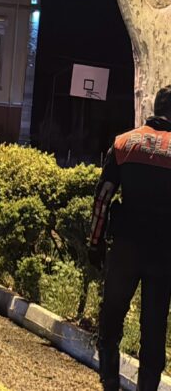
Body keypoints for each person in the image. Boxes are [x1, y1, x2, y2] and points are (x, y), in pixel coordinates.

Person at [89, 86, 171, 391]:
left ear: (155, 108)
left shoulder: (125, 143)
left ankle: (110, 380)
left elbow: (103, 198)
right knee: (154, 325)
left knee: (112, 314)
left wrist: (95, 242)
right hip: (164, 253)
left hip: (125, 247)